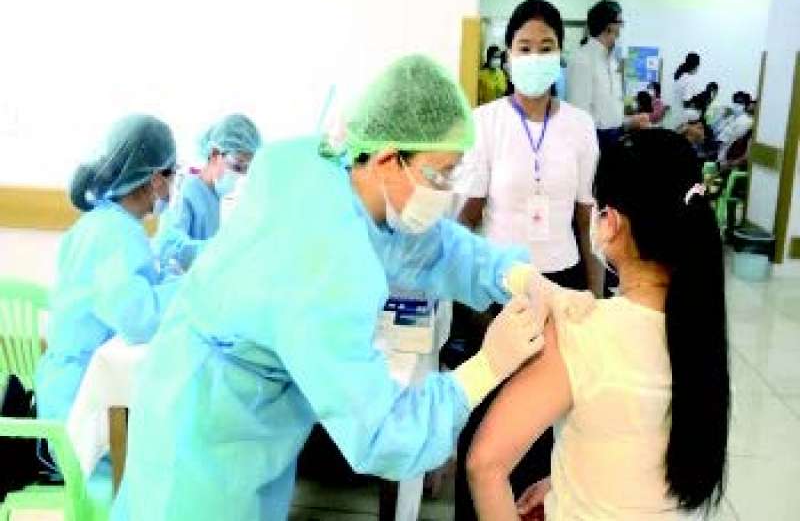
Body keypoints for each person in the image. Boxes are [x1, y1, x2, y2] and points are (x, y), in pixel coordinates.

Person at [110, 55, 562, 521]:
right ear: (387, 159)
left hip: (208, 394)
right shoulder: (327, 270)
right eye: (440, 174)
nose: (446, 190)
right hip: (207, 441)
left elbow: (428, 247)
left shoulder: (317, 165)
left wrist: (511, 273)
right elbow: (383, 434)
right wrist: (486, 367)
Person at [468, 128, 730, 520]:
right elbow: (634, 447)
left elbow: (484, 465)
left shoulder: (583, 332)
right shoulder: (700, 331)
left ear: (610, 222)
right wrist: (564, 480)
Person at [452, 0, 601, 521]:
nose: (535, 57)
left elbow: (585, 219)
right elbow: (467, 217)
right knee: (486, 417)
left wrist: (595, 296)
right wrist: (466, 302)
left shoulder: (580, 126)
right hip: (499, 288)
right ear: (508, 54)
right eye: (524, 47)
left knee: (537, 426)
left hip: (559, 283)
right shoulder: (486, 122)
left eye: (546, 47)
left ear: (561, 54)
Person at [35, 115, 180, 422]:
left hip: (77, 382)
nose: (171, 187)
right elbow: (138, 320)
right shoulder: (113, 234)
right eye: (172, 174)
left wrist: (171, 280)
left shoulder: (107, 222)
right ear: (155, 179)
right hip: (79, 399)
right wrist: (193, 286)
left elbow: (137, 287)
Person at [153, 113, 262, 271]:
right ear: (215, 155)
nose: (241, 176)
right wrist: (219, 250)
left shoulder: (215, 197)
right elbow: (169, 248)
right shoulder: (186, 190)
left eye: (247, 170)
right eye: (237, 166)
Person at [567, 0, 648, 153]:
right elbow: (580, 115)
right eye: (620, 23)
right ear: (608, 26)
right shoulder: (582, 59)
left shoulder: (611, 60)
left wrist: (629, 122)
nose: (621, 29)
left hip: (614, 138)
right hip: (595, 142)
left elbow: (608, 110)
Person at [672, 52, 702, 129]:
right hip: (685, 119)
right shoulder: (689, 79)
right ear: (696, 66)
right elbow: (687, 101)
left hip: (677, 115)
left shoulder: (680, 78)